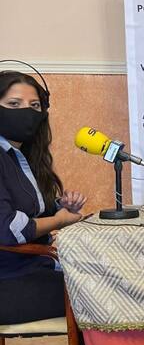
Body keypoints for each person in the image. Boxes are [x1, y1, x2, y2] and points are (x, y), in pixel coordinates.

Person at [0, 70, 87, 324]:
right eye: (14, 104)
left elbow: (31, 212)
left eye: (34, 105)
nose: (26, 112)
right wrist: (59, 221)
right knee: (101, 294)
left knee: (105, 280)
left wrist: (59, 207)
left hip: (35, 269)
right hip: (8, 282)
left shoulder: (23, 156)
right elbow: (8, 229)